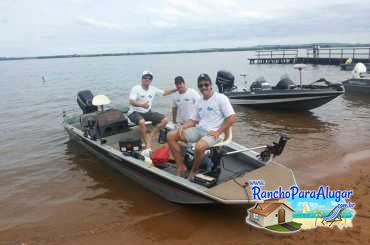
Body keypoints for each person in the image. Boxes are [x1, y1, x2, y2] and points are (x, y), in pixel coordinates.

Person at [167, 73, 236, 179]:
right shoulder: (199, 100)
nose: (203, 87)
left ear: (211, 84)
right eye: (201, 86)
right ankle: (181, 166)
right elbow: (193, 120)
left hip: (214, 133)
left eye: (206, 84)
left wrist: (218, 132)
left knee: (199, 147)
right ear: (198, 87)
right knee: (170, 136)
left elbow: (232, 118)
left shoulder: (221, 98)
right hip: (199, 130)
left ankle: (193, 172)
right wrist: (183, 126)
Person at [128, 71, 176, 150]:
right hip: (134, 112)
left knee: (165, 120)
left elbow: (164, 93)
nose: (147, 79)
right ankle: (147, 143)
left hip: (147, 112)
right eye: (145, 78)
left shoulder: (153, 89)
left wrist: (176, 89)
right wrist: (142, 105)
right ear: (142, 79)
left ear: (151, 80)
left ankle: (151, 135)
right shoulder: (136, 88)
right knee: (142, 122)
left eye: (149, 78)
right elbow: (131, 101)